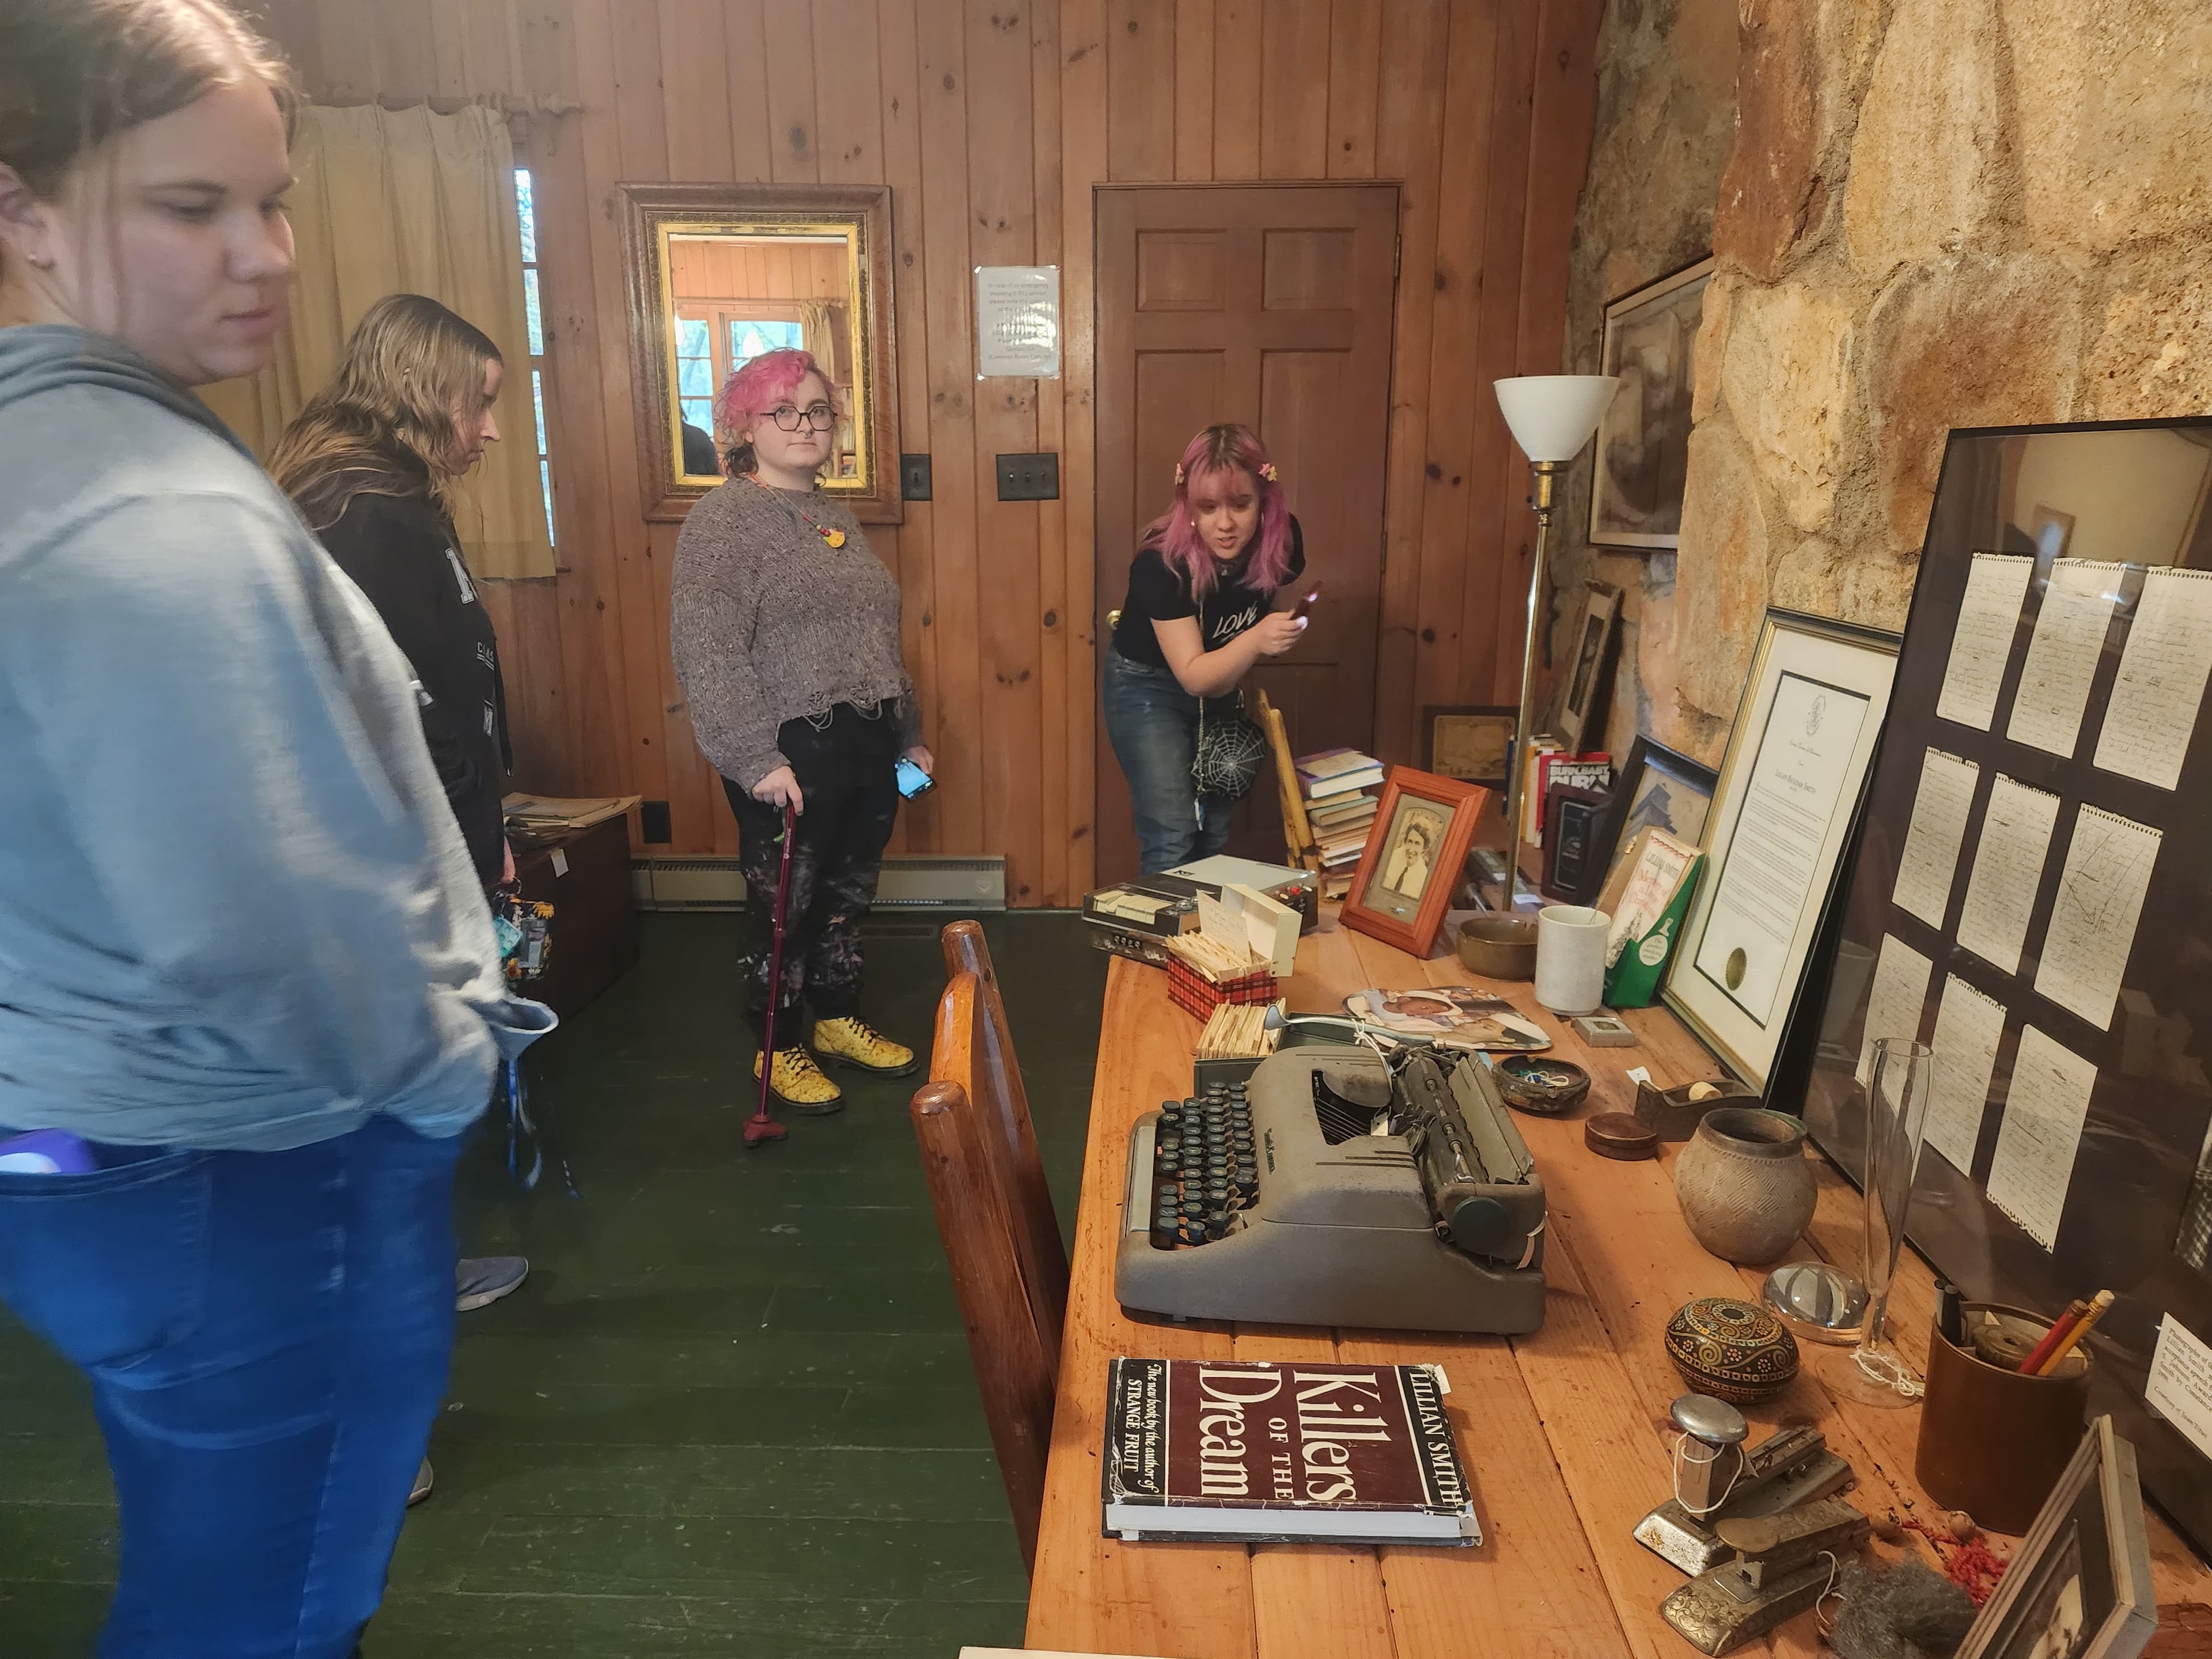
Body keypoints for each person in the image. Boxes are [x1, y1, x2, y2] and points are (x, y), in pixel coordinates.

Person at [0, 3, 552, 1653]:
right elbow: (259, 915)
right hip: (248, 1171)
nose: (264, 256)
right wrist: (440, 1063)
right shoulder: (150, 512)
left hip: (82, 1151)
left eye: (276, 201)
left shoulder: (59, 447)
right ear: (27, 215)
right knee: (263, 1611)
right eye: (191, 208)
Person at [269, 294, 537, 1505]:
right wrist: (449, 856)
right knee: (379, 1115)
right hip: (375, 871)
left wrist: (494, 827)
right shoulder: (361, 511)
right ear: (423, 390)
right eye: (477, 403)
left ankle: (422, 1269)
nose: (488, 431)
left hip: (424, 849)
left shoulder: (387, 497)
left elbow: (452, 684)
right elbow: (386, 719)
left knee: (416, 1096)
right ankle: (369, 1428)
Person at [671, 348, 931, 1114]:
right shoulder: (722, 521)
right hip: (788, 756)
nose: (805, 426)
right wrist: (755, 758)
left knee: (848, 897)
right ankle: (777, 1045)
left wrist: (908, 735)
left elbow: (875, 639)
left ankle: (836, 1019)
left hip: (869, 745)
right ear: (746, 425)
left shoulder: (834, 515)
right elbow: (707, 650)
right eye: (784, 411)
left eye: (818, 411)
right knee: (786, 907)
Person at [1104, 423, 1309, 874]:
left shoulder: (1282, 541)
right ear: (1187, 505)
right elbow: (1195, 675)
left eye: (1241, 505)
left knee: (1214, 832)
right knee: (1173, 834)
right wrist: (1256, 639)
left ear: (1266, 500)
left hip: (1223, 685)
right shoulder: (1161, 564)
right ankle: (1169, 946)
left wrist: (1277, 627)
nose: (1225, 523)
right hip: (1147, 688)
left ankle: (1203, 942)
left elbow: (1273, 596)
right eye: (1208, 507)